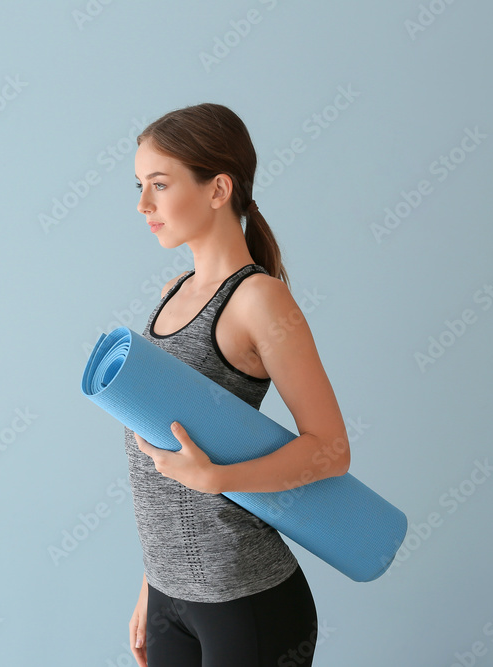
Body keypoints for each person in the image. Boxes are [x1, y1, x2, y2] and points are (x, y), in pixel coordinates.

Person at [126, 103, 351, 667]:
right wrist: (152, 582)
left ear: (217, 188)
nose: (143, 205)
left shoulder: (260, 300)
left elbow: (330, 449)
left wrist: (219, 477)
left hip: (243, 595)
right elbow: (167, 463)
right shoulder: (172, 293)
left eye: (159, 184)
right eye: (139, 186)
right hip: (169, 594)